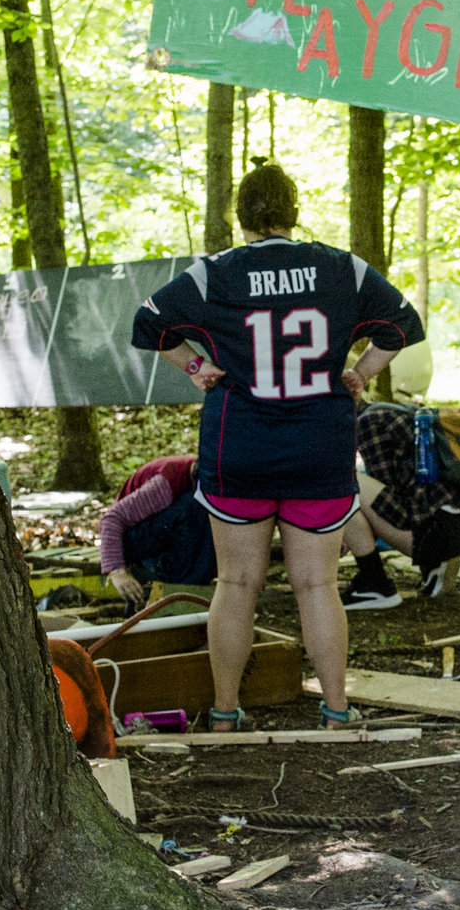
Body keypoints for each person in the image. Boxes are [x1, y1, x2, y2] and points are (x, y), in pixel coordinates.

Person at [130, 163, 423, 730]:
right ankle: (336, 710)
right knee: (318, 584)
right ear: (295, 210)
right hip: (320, 448)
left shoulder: (215, 274)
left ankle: (223, 713)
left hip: (237, 448)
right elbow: (402, 324)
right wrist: (361, 369)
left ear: (240, 217)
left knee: (236, 584)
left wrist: (194, 364)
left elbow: (149, 323)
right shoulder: (342, 269)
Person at [337, 399, 460, 607]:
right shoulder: (389, 410)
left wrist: (347, 527)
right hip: (457, 524)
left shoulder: (367, 423)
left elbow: (384, 498)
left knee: (339, 485)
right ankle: (434, 564)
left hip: (434, 534)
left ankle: (375, 585)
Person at [99, 454, 217, 605]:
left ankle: (190, 584)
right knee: (195, 505)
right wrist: (117, 572)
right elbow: (110, 520)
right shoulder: (164, 484)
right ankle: (180, 589)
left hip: (161, 532)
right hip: (129, 541)